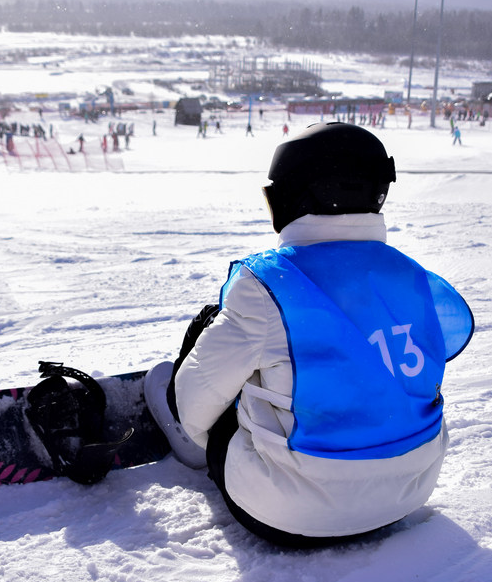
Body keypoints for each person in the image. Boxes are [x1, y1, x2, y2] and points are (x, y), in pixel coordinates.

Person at [145, 121, 474, 548]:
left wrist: (205, 429)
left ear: (293, 195)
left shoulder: (270, 283)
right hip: (409, 493)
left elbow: (194, 404)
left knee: (223, 345)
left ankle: (196, 444)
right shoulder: (414, 279)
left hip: (290, 516)